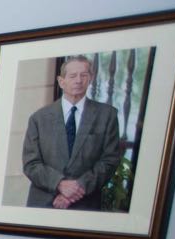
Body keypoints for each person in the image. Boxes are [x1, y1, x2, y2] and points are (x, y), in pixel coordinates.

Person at [22, 55, 122, 210]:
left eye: (83, 75)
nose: (78, 80)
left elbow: (109, 160)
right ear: (61, 81)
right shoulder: (39, 118)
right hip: (43, 204)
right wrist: (60, 184)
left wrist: (77, 189)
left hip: (85, 204)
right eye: (73, 76)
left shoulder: (107, 116)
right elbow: (31, 164)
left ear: (91, 78)